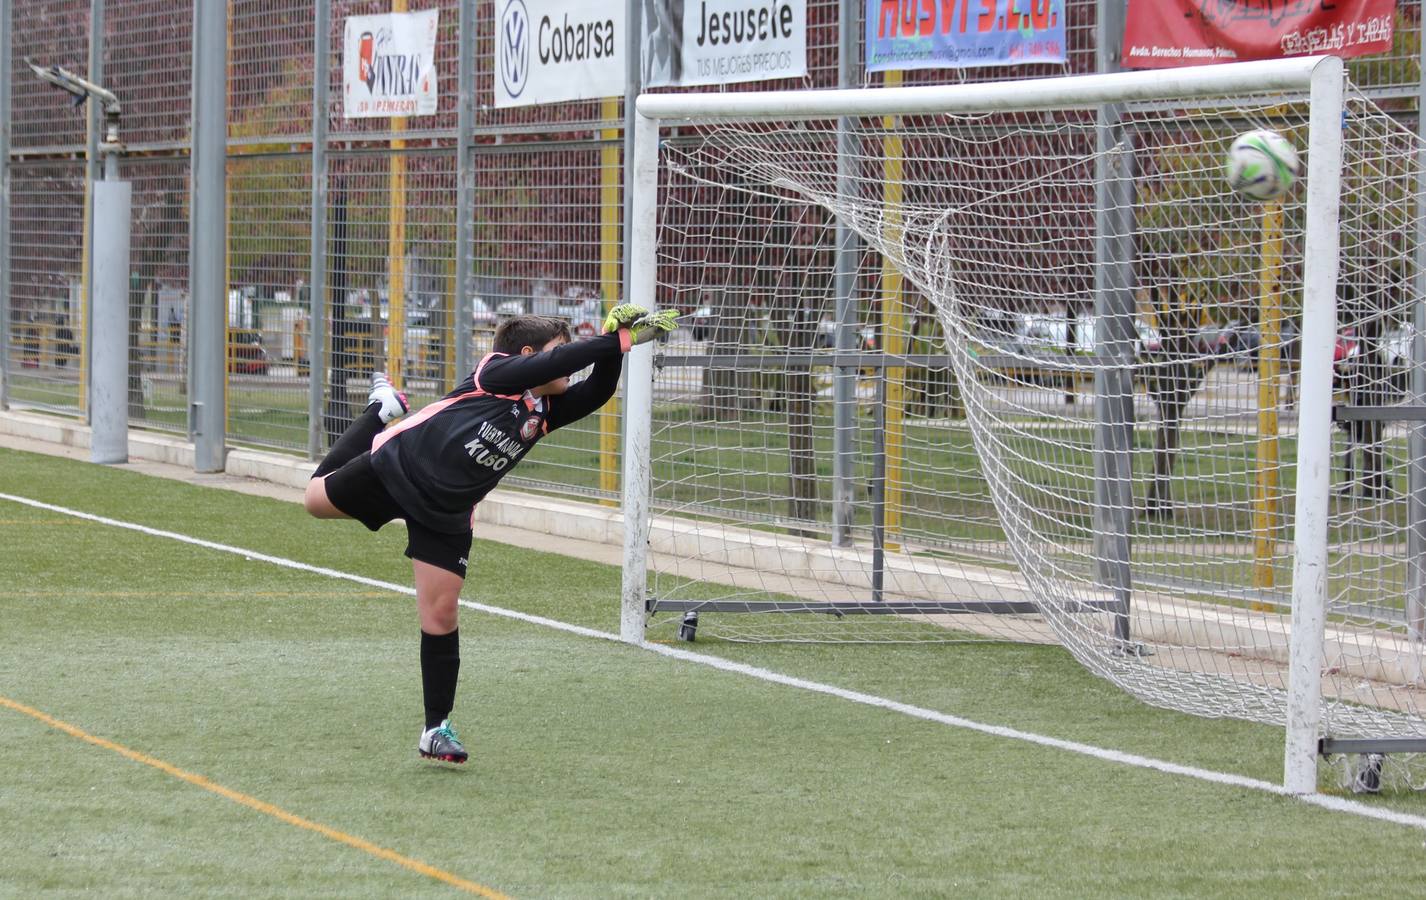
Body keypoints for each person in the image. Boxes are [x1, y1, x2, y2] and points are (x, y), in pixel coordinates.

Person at [303, 305, 679, 763]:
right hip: (397, 468)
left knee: (441, 614)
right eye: (557, 350)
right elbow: (559, 362)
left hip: (447, 512)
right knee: (314, 501)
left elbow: (597, 390)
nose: (564, 362)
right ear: (528, 355)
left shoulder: (544, 411)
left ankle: (435, 729)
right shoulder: (495, 373)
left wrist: (616, 343)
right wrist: (616, 340)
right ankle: (381, 411)